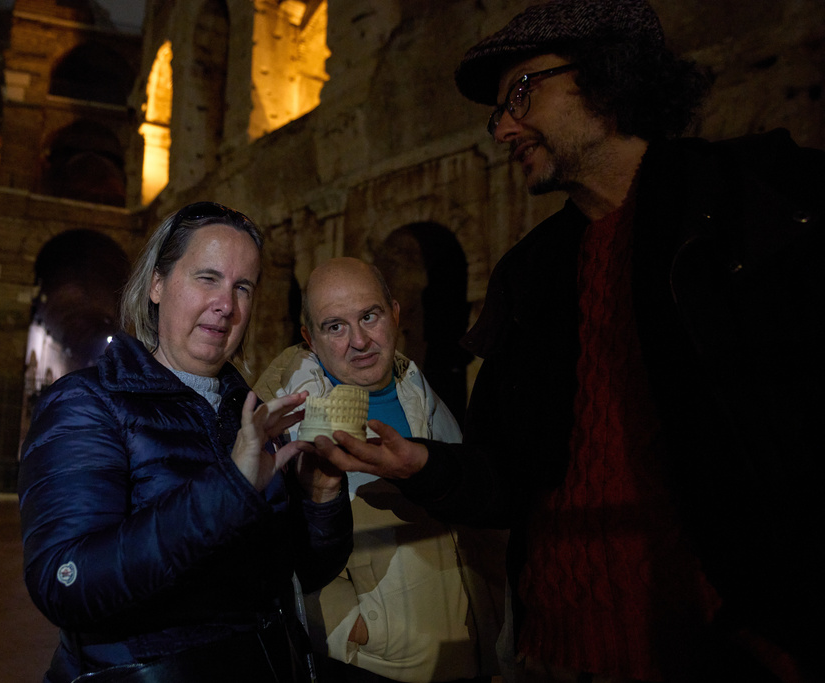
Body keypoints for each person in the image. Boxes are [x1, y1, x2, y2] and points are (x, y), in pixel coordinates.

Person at [310, 1, 825, 682]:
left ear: (611, 76)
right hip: (552, 653)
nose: (503, 128)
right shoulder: (531, 275)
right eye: (498, 111)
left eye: (522, 93)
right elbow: (509, 476)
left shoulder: (761, 202)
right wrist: (424, 465)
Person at [18, 201, 354, 683]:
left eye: (243, 286)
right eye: (207, 278)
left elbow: (297, 576)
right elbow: (64, 583)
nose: (227, 304)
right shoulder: (88, 403)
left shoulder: (252, 415)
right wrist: (230, 488)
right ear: (157, 284)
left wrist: (322, 496)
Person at [254, 257, 507, 683]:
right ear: (309, 339)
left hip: (467, 652)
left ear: (394, 313)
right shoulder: (283, 424)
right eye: (335, 326)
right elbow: (270, 552)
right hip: (375, 665)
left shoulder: (421, 393)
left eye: (369, 316)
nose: (359, 341)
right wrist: (351, 630)